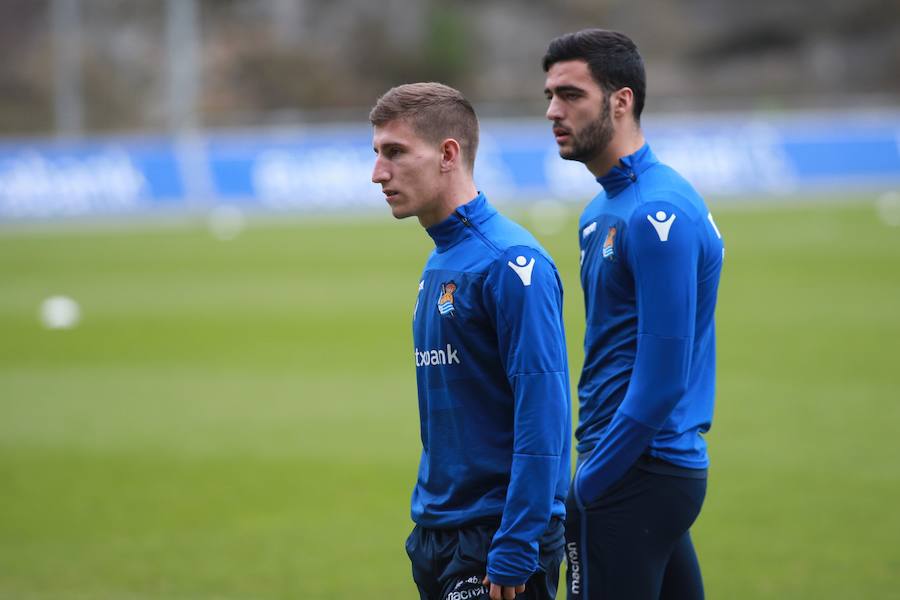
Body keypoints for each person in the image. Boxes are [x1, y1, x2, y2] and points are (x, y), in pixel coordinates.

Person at [370, 82, 571, 600]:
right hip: (438, 532)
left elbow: (544, 413)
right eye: (377, 154)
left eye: (395, 153)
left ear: (447, 154)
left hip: (497, 538)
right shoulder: (442, 258)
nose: (378, 173)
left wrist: (518, 541)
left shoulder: (511, 264)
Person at [541, 29, 725, 599]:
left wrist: (590, 483)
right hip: (639, 467)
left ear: (621, 100)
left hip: (634, 466)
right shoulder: (603, 207)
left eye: (571, 95)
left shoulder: (655, 211)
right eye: (550, 95)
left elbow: (663, 378)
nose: (553, 111)